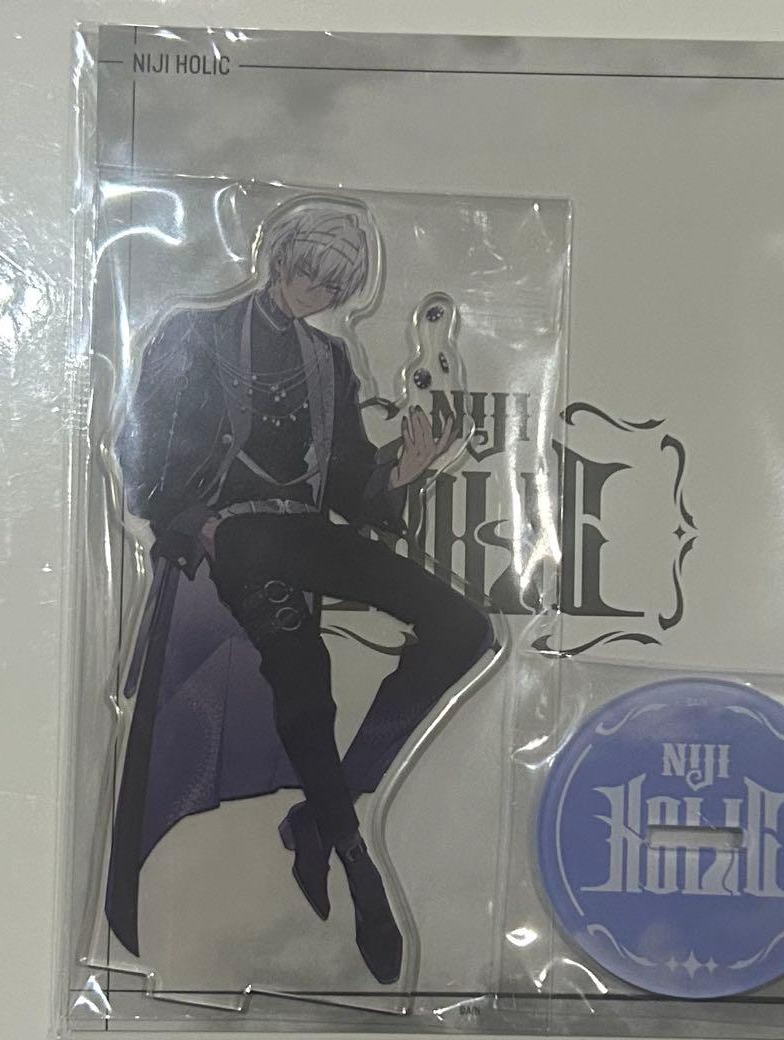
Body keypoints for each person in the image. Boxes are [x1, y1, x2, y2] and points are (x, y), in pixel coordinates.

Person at [107, 200, 494, 985]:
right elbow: (140, 450)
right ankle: (356, 862)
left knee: (464, 628)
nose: (314, 293)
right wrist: (198, 525)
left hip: (304, 532)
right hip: (236, 535)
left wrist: (399, 472)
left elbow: (344, 481)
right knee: (302, 670)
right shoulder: (194, 334)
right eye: (308, 274)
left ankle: (322, 815)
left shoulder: (328, 358)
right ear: (280, 256)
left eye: (331, 286)